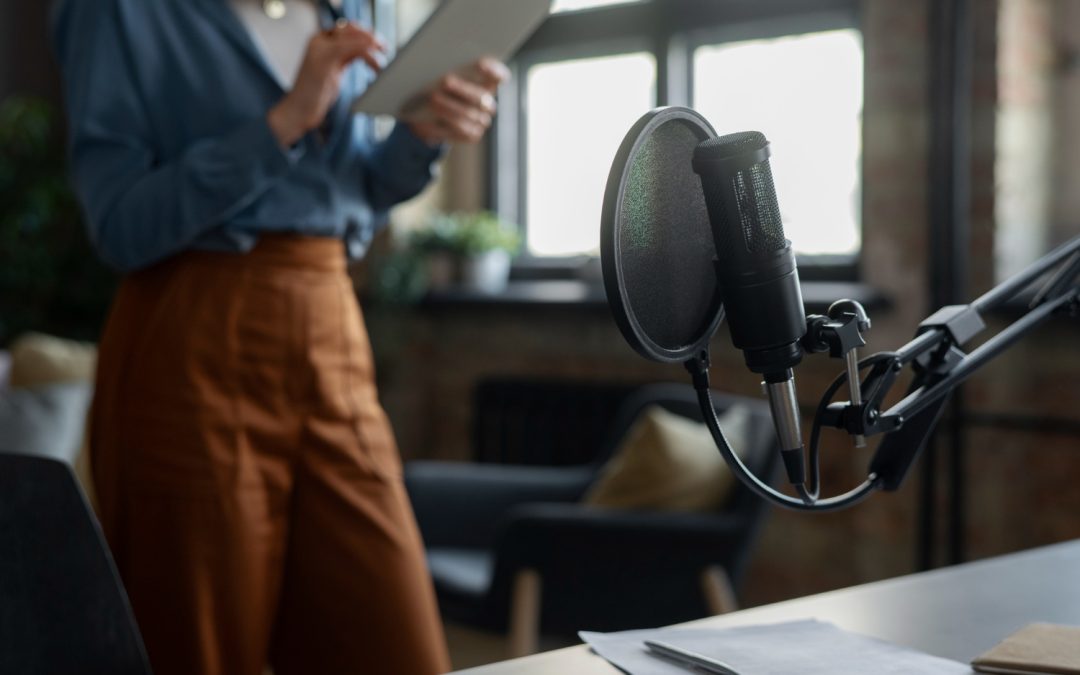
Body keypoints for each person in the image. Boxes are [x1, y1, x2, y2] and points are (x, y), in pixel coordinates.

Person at [51, 1, 507, 673]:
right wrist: (284, 121)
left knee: (396, 644)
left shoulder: (351, 6)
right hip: (189, 342)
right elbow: (118, 222)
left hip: (331, 327)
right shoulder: (121, 11)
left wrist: (422, 133)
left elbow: (358, 190)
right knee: (200, 647)